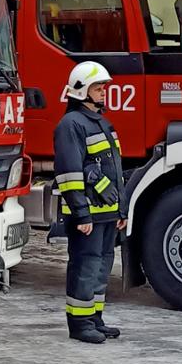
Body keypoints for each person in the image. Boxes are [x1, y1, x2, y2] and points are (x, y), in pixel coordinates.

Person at [53, 60, 126, 344]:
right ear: (81, 90)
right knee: (85, 267)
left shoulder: (102, 123)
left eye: (103, 87)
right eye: (98, 88)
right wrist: (81, 214)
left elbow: (116, 172)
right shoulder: (71, 125)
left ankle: (95, 319)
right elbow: (69, 174)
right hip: (88, 217)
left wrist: (121, 210)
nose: (103, 92)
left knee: (101, 267)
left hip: (107, 214)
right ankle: (79, 324)